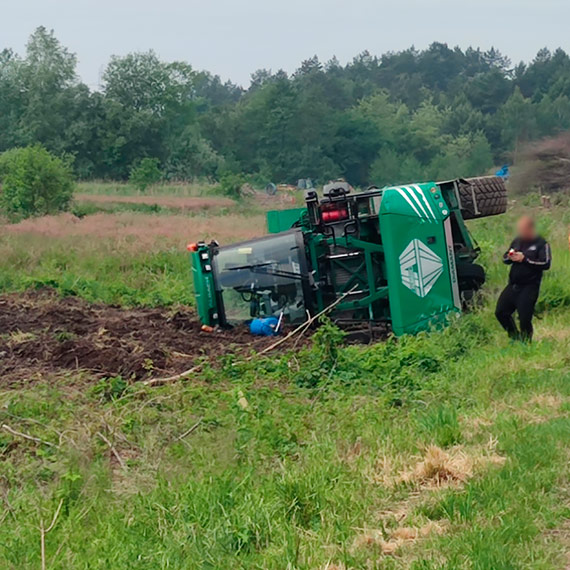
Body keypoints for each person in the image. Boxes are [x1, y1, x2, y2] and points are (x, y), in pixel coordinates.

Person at [495, 216, 551, 342]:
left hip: (530, 286)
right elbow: (505, 258)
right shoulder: (517, 241)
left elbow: (546, 263)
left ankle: (526, 343)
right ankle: (515, 337)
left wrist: (524, 259)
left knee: (524, 318)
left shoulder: (541, 243)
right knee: (501, 312)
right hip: (513, 284)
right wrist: (510, 256)